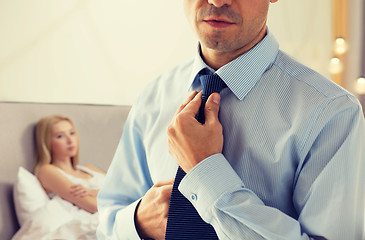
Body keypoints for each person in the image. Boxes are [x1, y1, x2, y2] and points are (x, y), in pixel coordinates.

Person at [97, 0, 365, 239]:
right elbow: (108, 219)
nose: (217, 0)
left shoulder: (332, 112)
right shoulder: (153, 96)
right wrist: (137, 223)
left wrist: (205, 170)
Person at [35, 115, 105, 214]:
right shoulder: (47, 171)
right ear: (47, 142)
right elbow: (95, 206)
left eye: (72, 133)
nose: (70, 140)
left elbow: (129, 189)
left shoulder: (89, 168)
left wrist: (93, 192)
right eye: (60, 136)